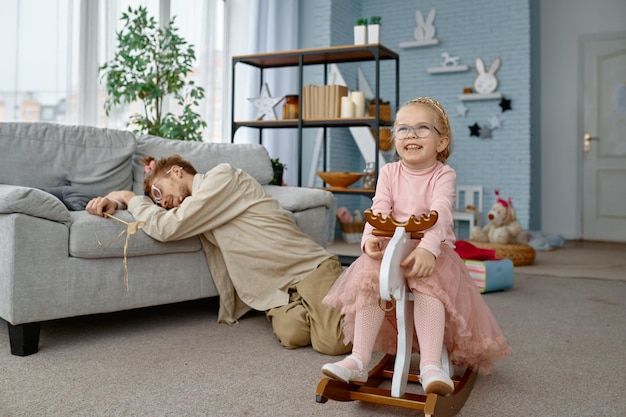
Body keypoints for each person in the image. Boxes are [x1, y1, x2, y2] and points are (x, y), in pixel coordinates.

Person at [321, 97, 511, 395]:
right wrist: (369, 238)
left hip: (430, 249)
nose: (411, 135)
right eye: (403, 129)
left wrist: (428, 248)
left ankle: (430, 365)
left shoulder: (443, 174)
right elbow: (379, 208)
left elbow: (441, 212)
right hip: (392, 244)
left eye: (423, 128)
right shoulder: (389, 172)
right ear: (394, 137)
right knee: (370, 273)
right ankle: (358, 358)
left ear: (441, 141)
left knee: (428, 279)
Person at [86, 155, 350, 356]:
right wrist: (118, 203)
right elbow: (162, 221)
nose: (161, 202)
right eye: (157, 202)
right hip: (277, 288)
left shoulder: (222, 178)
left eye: (159, 191)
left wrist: (128, 196)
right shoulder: (195, 210)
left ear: (176, 172)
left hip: (306, 266)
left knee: (333, 343)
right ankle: (329, 305)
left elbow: (167, 227)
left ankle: (353, 290)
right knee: (292, 334)